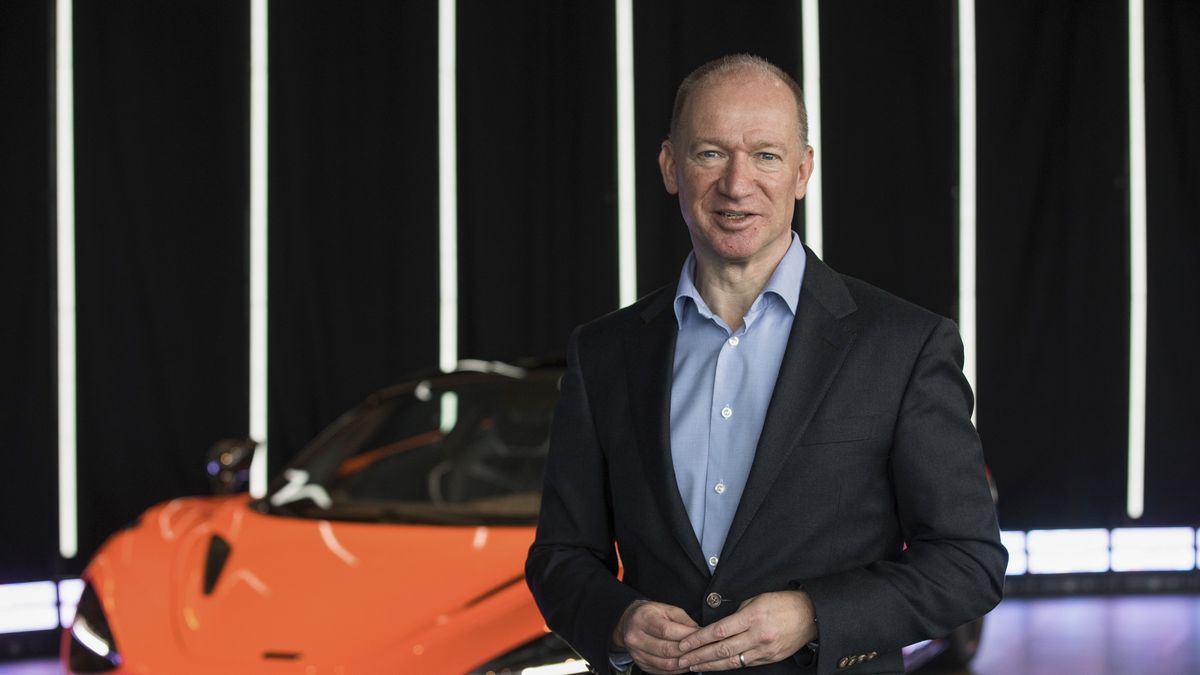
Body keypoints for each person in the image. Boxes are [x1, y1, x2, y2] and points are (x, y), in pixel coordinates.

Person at [525, 54, 1006, 674]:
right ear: (670, 165)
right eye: (710, 154)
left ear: (803, 171)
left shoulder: (904, 345)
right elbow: (560, 557)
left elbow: (968, 563)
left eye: (766, 156)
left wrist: (815, 615)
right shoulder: (603, 353)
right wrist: (617, 619)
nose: (736, 183)